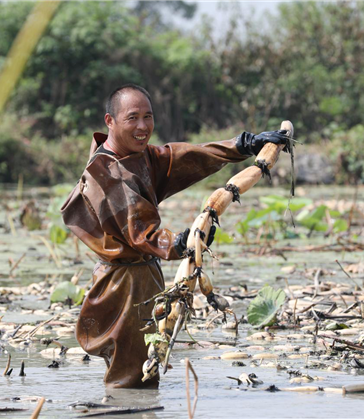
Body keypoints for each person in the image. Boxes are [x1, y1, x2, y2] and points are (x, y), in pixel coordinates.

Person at [61, 84, 288, 388]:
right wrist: (180, 243)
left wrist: (242, 146)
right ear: (110, 121)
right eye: (132, 118)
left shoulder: (135, 154)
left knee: (145, 366)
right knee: (130, 375)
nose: (143, 127)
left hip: (141, 275)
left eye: (148, 116)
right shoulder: (106, 171)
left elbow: (180, 158)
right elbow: (137, 228)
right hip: (123, 285)